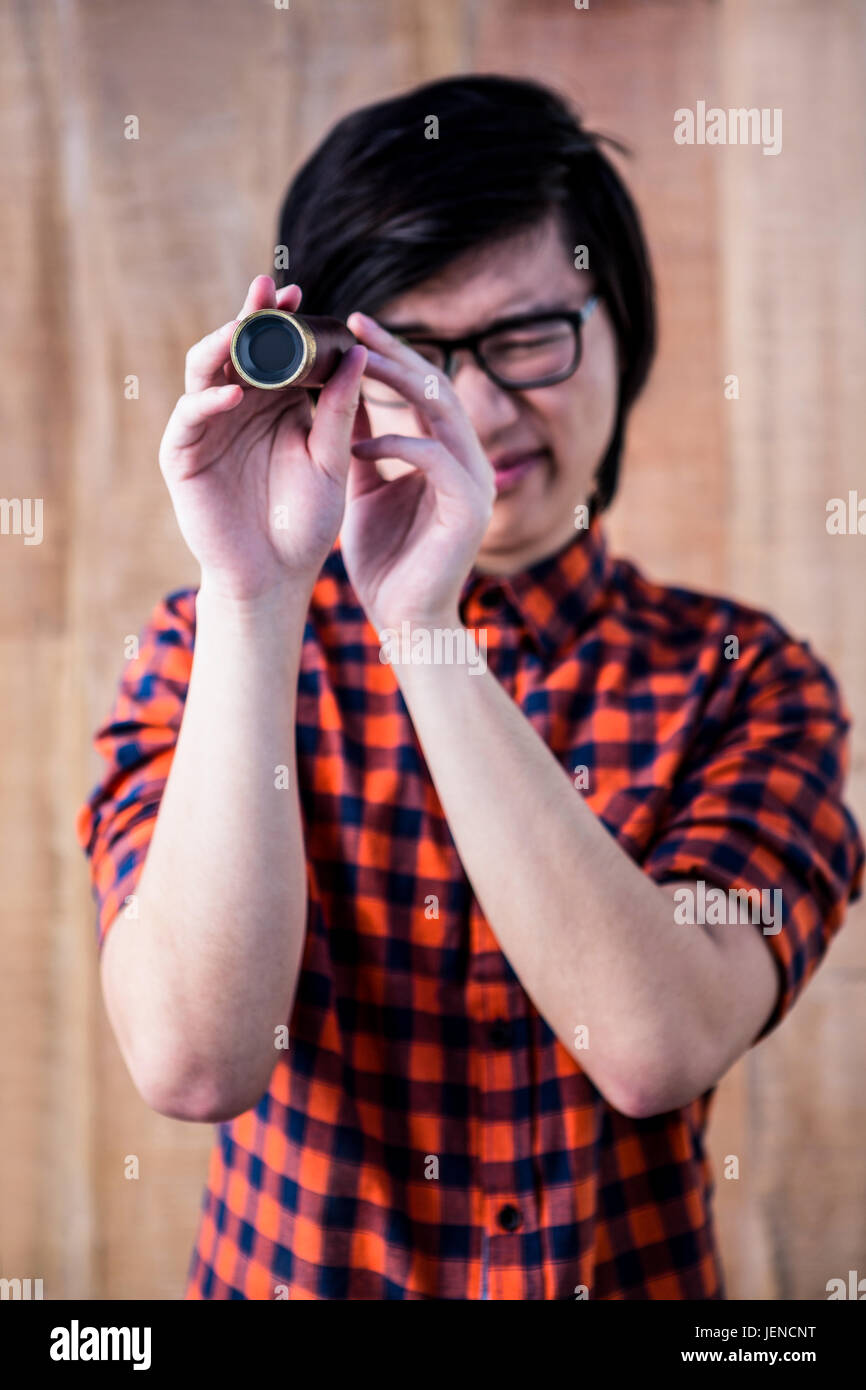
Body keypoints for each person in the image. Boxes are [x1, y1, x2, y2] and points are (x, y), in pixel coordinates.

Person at [76, 74, 864, 1300]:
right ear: (327, 374)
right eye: (417, 352)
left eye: (526, 337)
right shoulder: (205, 650)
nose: (482, 405)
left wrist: (425, 631)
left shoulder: (748, 679)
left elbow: (656, 1045)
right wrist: (254, 596)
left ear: (620, 326)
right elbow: (191, 1065)